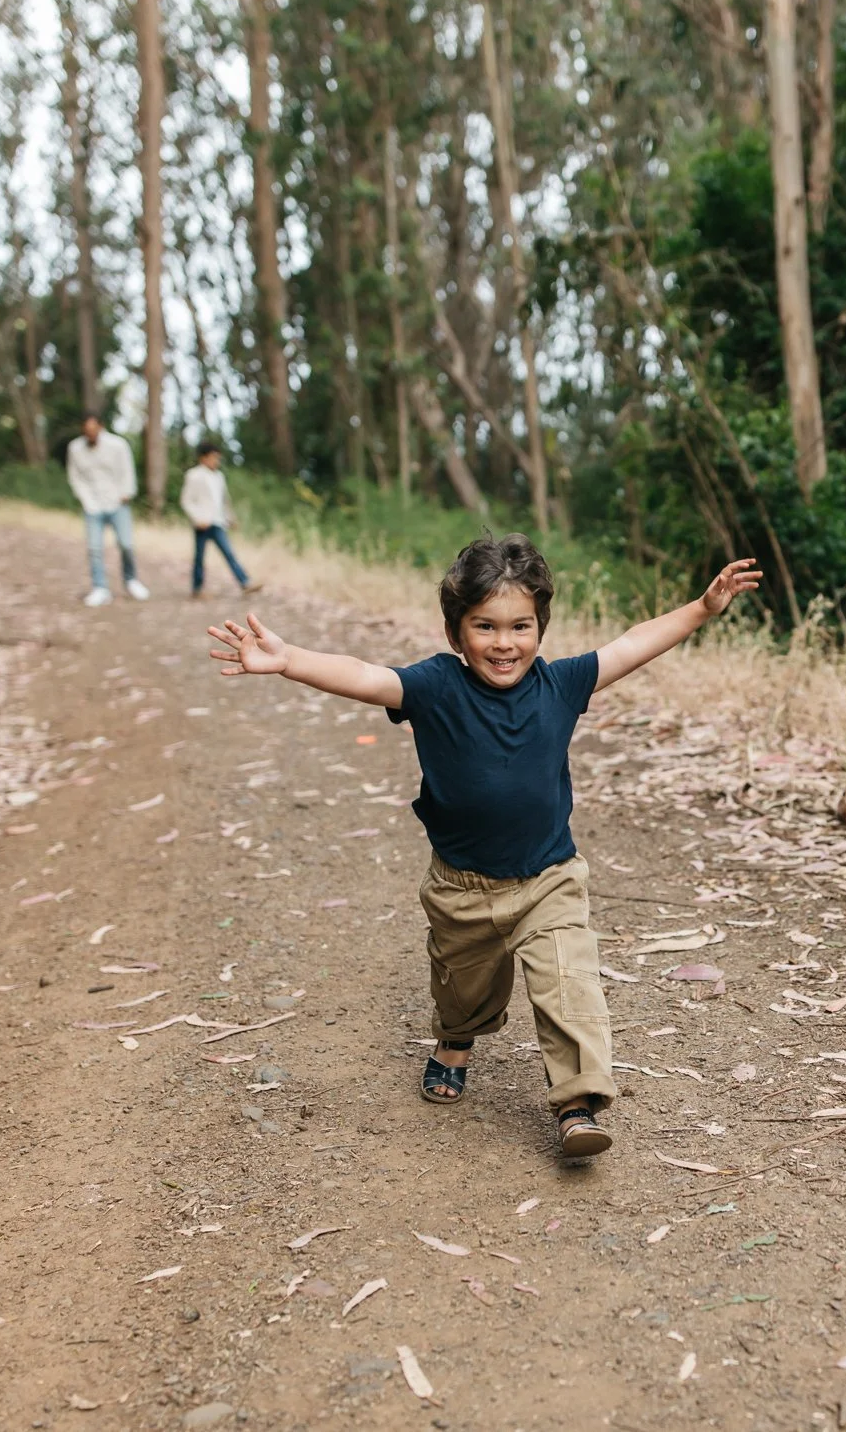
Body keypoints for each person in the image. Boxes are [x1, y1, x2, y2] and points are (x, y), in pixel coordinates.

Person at [206, 534, 761, 1158]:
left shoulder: (563, 684)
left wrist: (703, 608)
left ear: (541, 629)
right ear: (455, 633)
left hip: (549, 878)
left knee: (570, 984)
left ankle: (577, 1107)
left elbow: (632, 643)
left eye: (521, 625)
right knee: (463, 989)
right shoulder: (438, 687)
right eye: (485, 626)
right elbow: (365, 675)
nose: (504, 642)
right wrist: (289, 660)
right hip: (461, 886)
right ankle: (455, 1041)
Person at [66, 413, 150, 607]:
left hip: (117, 502)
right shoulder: (75, 448)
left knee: (126, 544)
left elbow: (127, 470)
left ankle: (131, 581)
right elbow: (75, 477)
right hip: (92, 505)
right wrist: (85, 499)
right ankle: (100, 588)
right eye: (87, 431)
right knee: (94, 548)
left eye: (94, 430)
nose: (91, 435)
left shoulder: (117, 445)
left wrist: (126, 492)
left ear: (101, 427)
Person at [180, 442, 261, 600]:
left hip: (218, 522)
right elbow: (186, 501)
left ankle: (245, 582)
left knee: (229, 553)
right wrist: (197, 519)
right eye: (213, 457)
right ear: (203, 458)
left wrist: (230, 517)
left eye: (218, 458)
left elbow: (224, 501)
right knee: (199, 557)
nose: (216, 461)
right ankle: (197, 589)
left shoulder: (219, 476)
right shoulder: (194, 475)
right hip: (202, 523)